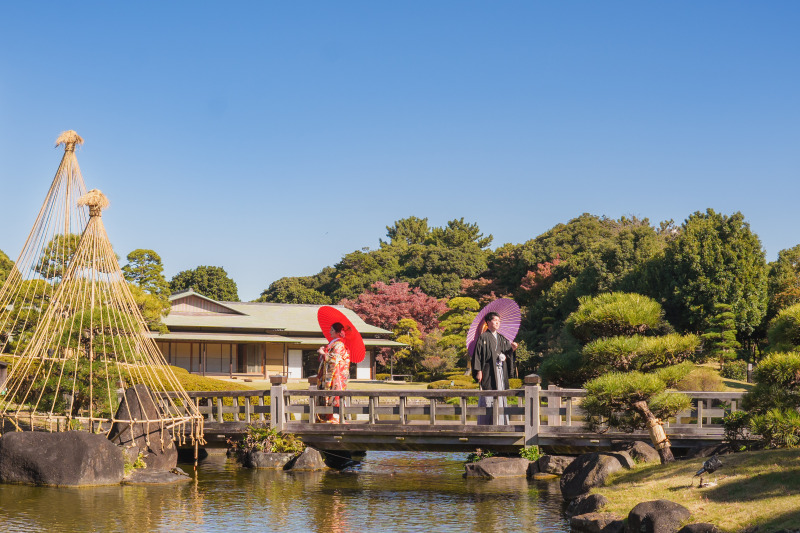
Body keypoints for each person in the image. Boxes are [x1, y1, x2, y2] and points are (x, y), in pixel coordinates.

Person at [471, 311, 518, 425]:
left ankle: (501, 422)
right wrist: (478, 371)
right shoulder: (483, 337)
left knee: (500, 394)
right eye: (495, 320)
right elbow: (478, 355)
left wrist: (512, 349)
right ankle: (486, 423)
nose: (497, 323)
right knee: (488, 395)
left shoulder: (502, 338)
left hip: (500, 371)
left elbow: (507, 354)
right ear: (488, 322)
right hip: (488, 371)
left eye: (499, 321)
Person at [316, 322, 350, 423]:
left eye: (332, 330)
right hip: (330, 373)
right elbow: (329, 356)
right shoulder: (333, 343)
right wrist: (323, 352)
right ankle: (326, 416)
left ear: (337, 332)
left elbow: (335, 359)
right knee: (327, 394)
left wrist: (324, 354)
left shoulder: (339, 344)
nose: (330, 332)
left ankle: (335, 417)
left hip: (336, 375)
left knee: (335, 394)